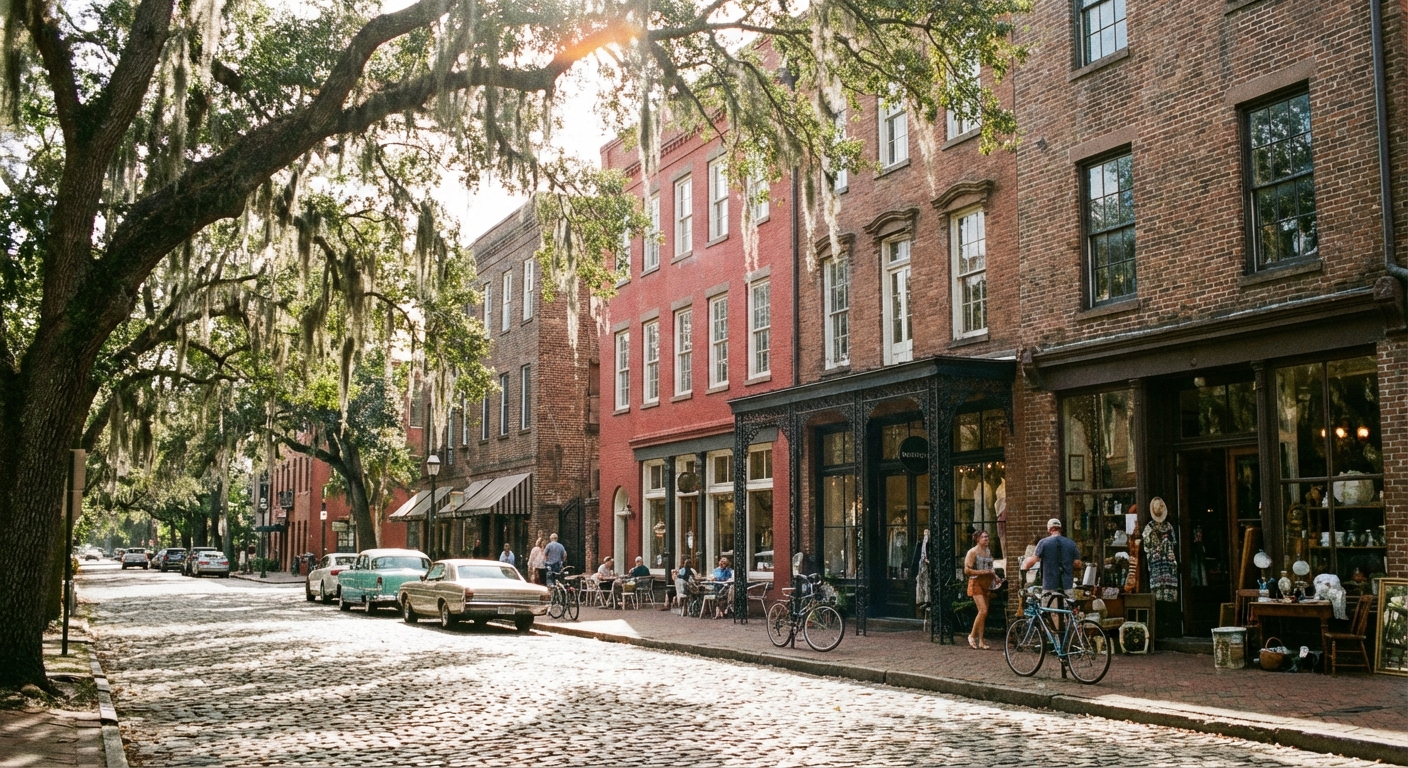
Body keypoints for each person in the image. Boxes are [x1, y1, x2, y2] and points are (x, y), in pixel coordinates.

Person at [1022, 518, 1081, 630]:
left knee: (1050, 614)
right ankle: (1068, 639)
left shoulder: (1043, 543)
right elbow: (1078, 564)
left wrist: (1024, 566)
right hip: (1067, 585)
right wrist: (1067, 563)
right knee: (1068, 613)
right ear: (1060, 529)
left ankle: (1054, 642)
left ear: (1049, 529)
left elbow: (1033, 560)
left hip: (1049, 585)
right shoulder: (1071, 543)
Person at [964, 531, 997, 650]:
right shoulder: (972, 552)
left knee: (983, 612)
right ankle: (972, 636)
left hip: (986, 583)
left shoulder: (988, 551)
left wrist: (995, 577)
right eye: (983, 537)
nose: (986, 538)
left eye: (987, 536)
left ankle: (981, 641)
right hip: (976, 582)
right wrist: (983, 572)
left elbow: (990, 568)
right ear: (977, 539)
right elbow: (967, 570)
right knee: (982, 610)